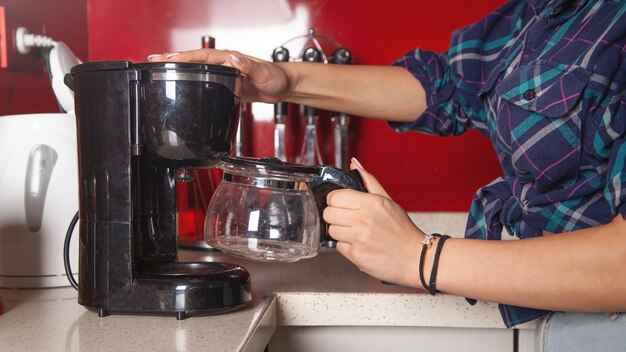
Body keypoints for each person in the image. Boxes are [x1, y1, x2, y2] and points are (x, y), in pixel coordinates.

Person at [149, 0, 626, 349]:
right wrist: (284, 81)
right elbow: (446, 86)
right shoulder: (543, 15)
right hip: (558, 320)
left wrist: (419, 257)